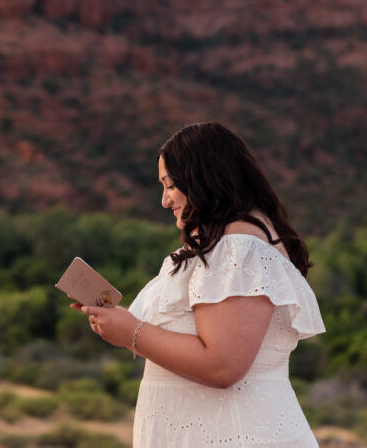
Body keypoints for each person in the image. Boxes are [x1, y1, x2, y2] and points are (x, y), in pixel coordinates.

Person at [75, 122, 325, 447]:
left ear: (202, 177)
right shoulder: (223, 244)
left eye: (169, 185)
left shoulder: (238, 248)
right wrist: (118, 324)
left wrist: (133, 332)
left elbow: (222, 365)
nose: (164, 201)